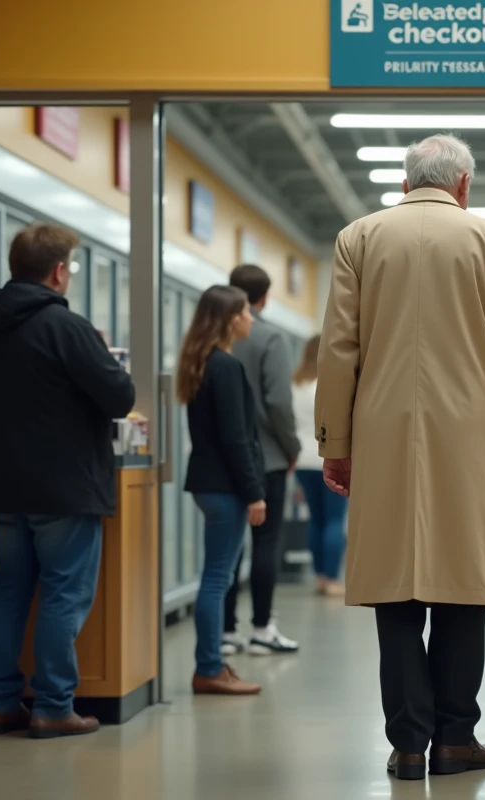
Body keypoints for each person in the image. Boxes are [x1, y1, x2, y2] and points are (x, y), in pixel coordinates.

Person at [316, 134, 485, 781]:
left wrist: (335, 442)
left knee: (396, 586)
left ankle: (407, 744)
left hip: (381, 432)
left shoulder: (357, 238)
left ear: (404, 180)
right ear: (464, 185)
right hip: (470, 436)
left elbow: (339, 349)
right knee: (463, 584)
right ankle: (455, 736)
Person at [0, 223, 135, 739]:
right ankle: (54, 706)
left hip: (0, 480)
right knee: (64, 592)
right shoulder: (66, 327)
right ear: (59, 271)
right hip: (63, 483)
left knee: (9, 588)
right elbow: (120, 397)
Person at [178, 285, 266, 696]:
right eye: (246, 312)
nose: (250, 318)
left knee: (216, 575)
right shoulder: (225, 367)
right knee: (217, 578)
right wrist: (254, 492)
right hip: (226, 487)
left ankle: (212, 664)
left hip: (207, 483)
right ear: (232, 318)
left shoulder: (202, 361)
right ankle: (209, 667)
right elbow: (235, 438)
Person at [222, 264, 302, 656]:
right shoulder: (269, 338)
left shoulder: (213, 337)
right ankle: (261, 628)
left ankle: (225, 630)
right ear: (264, 298)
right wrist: (291, 447)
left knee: (227, 546)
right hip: (266, 456)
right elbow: (278, 403)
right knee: (266, 542)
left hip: (222, 459)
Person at [292, 335, 348, 597]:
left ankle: (319, 577)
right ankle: (333, 579)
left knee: (316, 518)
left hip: (302, 460)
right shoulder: (327, 385)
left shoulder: (296, 385)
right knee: (335, 519)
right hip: (328, 456)